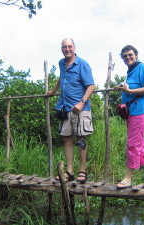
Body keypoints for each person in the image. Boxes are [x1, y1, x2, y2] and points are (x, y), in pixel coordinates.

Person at [47, 38, 95, 183]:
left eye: (69, 46)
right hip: (65, 106)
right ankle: (69, 171)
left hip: (80, 108)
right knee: (66, 138)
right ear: (61, 49)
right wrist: (54, 90)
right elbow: (62, 77)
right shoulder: (61, 63)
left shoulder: (82, 64)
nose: (67, 49)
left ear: (74, 48)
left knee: (80, 139)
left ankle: (82, 170)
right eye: (64, 47)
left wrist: (82, 102)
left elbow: (91, 86)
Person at [114, 45, 144, 189]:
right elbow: (130, 86)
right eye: (125, 56)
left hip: (141, 111)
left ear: (136, 55)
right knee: (142, 145)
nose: (127, 58)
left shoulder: (142, 67)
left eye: (130, 55)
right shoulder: (131, 72)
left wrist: (130, 90)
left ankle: (128, 178)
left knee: (133, 145)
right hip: (134, 112)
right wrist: (121, 86)